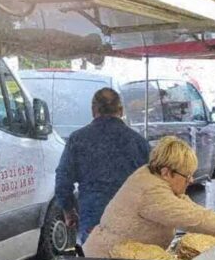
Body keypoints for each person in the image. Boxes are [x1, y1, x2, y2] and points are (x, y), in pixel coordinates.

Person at [84, 136, 215, 257]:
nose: (190, 180)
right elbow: (198, 220)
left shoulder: (153, 177)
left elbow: (194, 210)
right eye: (186, 175)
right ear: (166, 172)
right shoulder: (151, 191)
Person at [54, 88, 150, 242]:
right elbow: (151, 184)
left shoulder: (77, 139)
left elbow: (63, 180)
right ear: (121, 110)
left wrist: (68, 210)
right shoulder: (138, 142)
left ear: (93, 110)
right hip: (130, 216)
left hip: (93, 217)